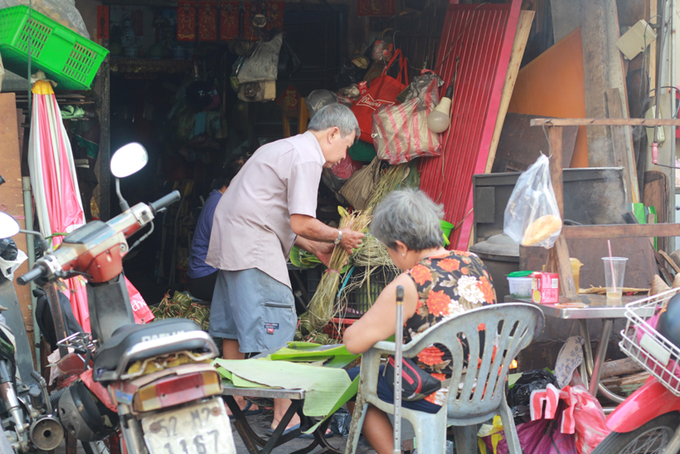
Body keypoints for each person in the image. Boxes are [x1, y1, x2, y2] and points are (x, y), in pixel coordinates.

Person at [206, 103, 365, 430]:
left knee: (234, 328)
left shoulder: (282, 147)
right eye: (345, 148)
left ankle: (232, 404)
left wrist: (319, 247)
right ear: (333, 133)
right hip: (253, 245)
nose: (342, 159)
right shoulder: (308, 156)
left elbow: (277, 215)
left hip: (233, 240)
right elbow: (302, 221)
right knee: (276, 325)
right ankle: (285, 415)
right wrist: (339, 236)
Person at [343, 188, 497, 454]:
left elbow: (354, 343)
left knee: (351, 381)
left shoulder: (411, 283)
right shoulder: (475, 262)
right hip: (485, 387)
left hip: (437, 393)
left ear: (400, 247)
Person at [187, 164, 240, 302]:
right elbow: (229, 247)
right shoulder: (219, 205)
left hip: (206, 275)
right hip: (205, 278)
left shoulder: (218, 198)